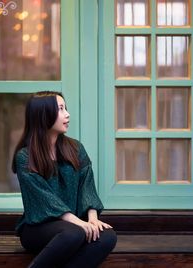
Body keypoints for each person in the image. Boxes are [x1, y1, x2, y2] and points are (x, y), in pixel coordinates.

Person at [12, 91, 117, 268]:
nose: (67, 114)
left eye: (65, 108)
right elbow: (45, 199)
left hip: (74, 224)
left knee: (107, 236)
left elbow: (87, 186)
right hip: (37, 228)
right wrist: (79, 223)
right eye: (60, 109)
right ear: (44, 115)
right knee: (73, 233)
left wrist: (92, 219)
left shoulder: (75, 148)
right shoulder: (25, 156)